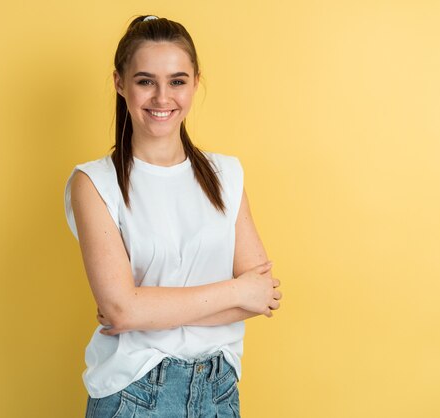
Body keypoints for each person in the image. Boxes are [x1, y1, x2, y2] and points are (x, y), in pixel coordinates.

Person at [64, 15, 282, 418]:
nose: (162, 97)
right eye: (146, 80)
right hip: (134, 393)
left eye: (177, 81)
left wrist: (144, 309)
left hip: (218, 392)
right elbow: (121, 311)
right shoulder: (94, 182)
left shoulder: (225, 175)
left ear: (196, 82)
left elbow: (263, 294)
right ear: (119, 83)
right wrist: (235, 291)